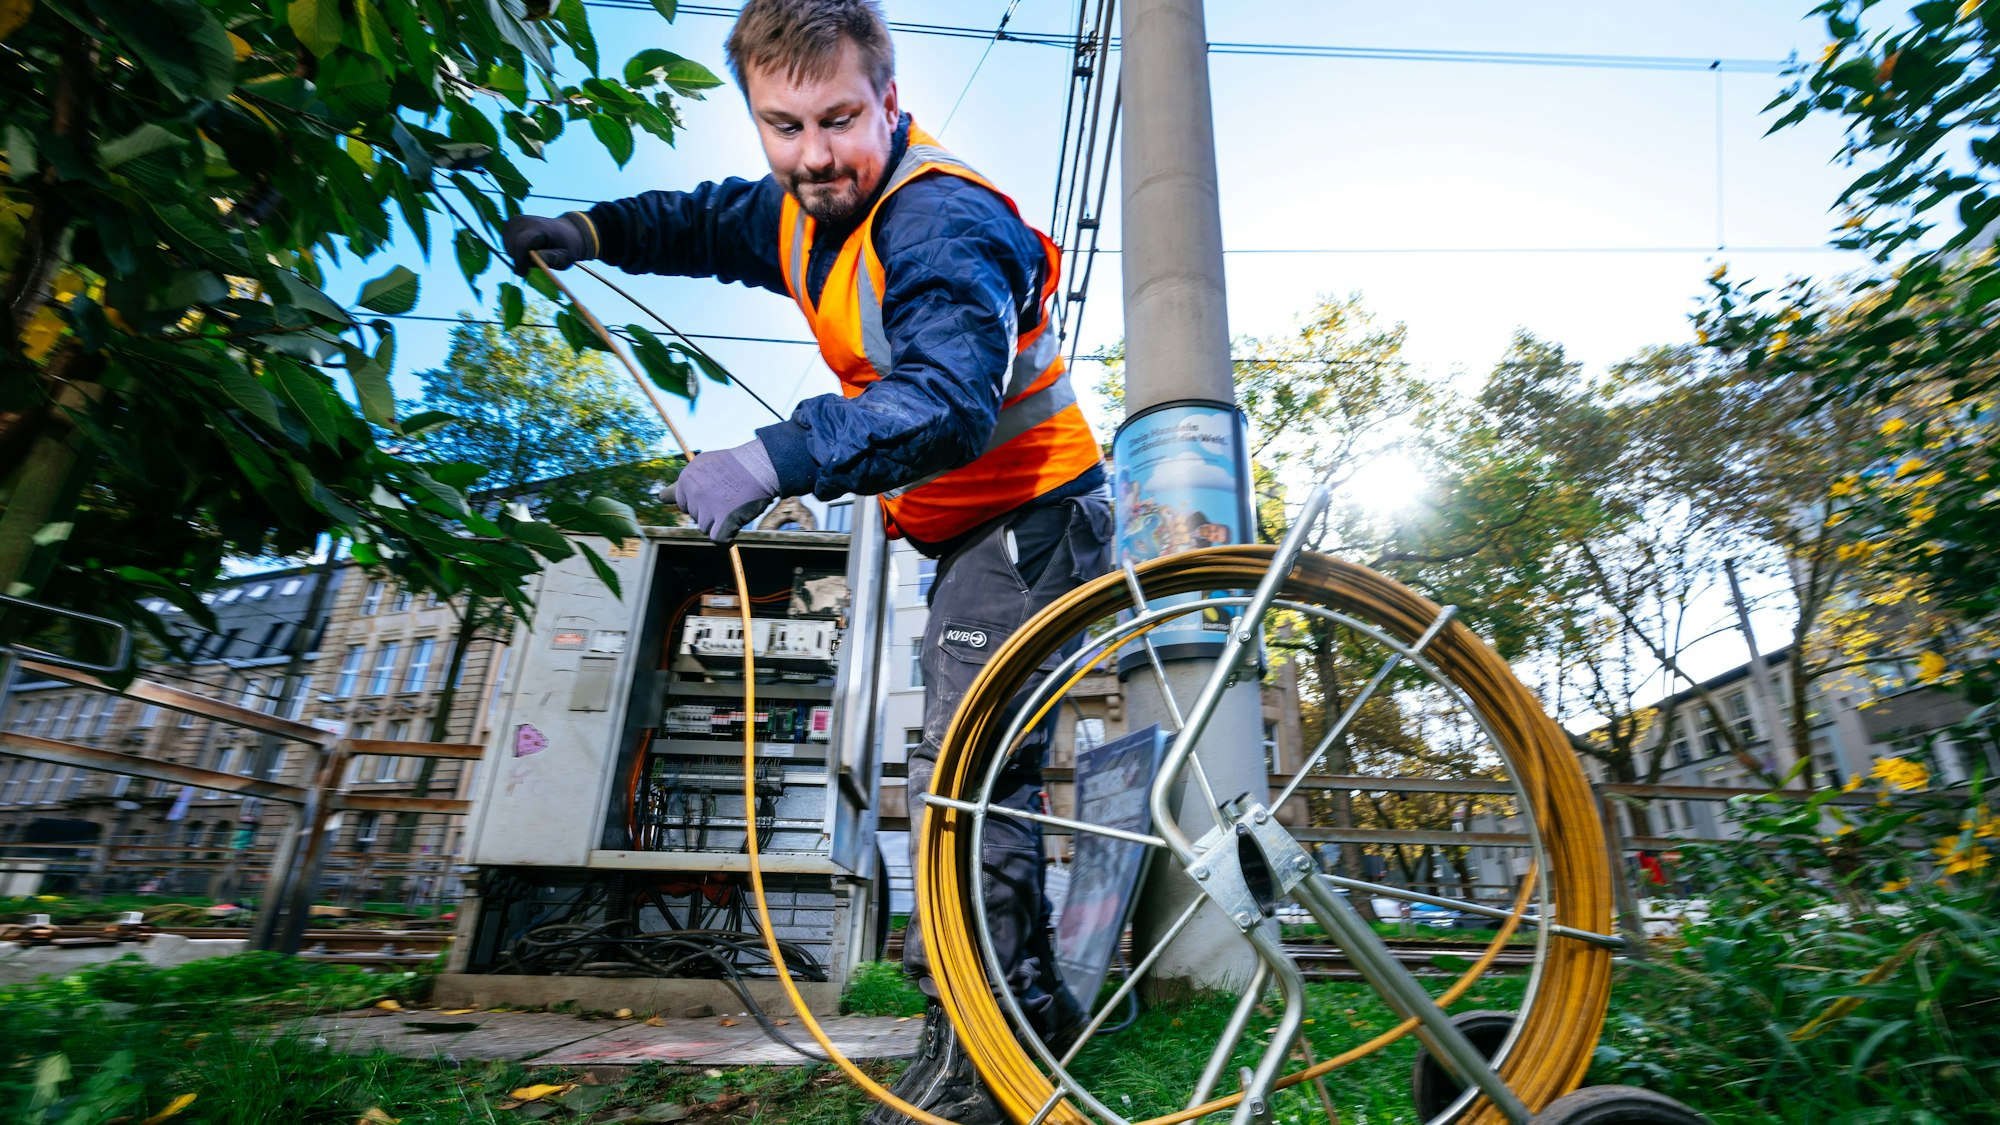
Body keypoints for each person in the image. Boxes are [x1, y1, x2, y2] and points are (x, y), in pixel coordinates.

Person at [502, 2, 1111, 1121]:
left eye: (839, 118)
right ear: (757, 121)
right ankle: (1016, 1014)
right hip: (966, 526)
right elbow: (697, 224)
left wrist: (773, 457)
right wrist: (589, 231)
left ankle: (986, 1058)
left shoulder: (940, 225)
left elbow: (946, 402)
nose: (815, 153)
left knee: (966, 785)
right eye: (783, 127)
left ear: (889, 99)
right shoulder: (795, 208)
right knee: (971, 778)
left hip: (1027, 515)